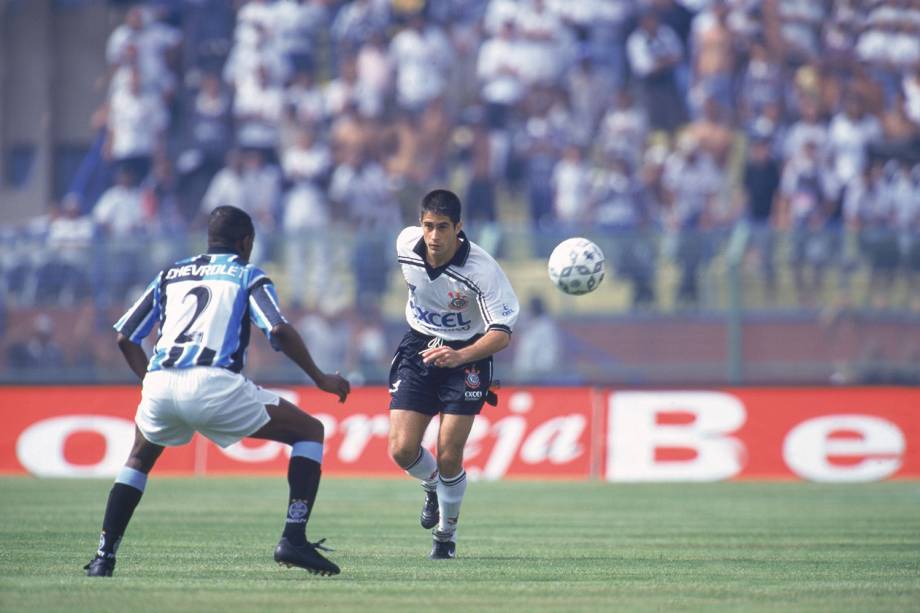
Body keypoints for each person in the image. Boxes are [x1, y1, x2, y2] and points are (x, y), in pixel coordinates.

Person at [83, 206, 351, 578]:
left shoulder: (170, 274)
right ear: (246, 242)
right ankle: (293, 537)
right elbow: (278, 330)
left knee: (139, 459)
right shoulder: (246, 273)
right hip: (214, 384)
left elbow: (125, 337)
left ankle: (103, 557)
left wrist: (148, 382)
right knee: (309, 432)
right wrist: (320, 377)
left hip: (161, 382)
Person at [388, 189, 519, 560]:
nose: (434, 236)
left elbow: (501, 334)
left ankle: (445, 536)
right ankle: (431, 486)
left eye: (443, 227)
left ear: (458, 228)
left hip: (469, 354)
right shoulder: (404, 245)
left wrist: (459, 355)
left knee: (449, 454)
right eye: (428, 226)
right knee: (401, 450)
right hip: (420, 346)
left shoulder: (482, 270)